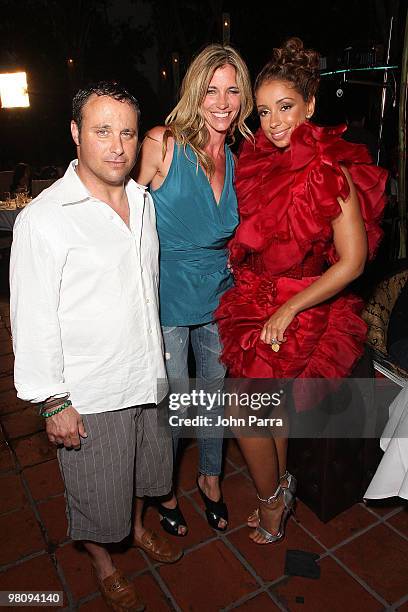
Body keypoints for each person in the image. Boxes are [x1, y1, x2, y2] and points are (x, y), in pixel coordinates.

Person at [10, 81, 182, 612]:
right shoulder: (45, 217)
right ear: (75, 134)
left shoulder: (141, 201)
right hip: (91, 390)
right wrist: (53, 401)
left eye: (127, 132)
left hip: (146, 375)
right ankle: (104, 563)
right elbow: (32, 318)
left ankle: (133, 530)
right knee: (95, 493)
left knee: (140, 474)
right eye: (102, 130)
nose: (117, 145)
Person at [216, 38, 387, 545]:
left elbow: (353, 262)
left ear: (311, 105)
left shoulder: (329, 171)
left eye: (285, 107)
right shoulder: (261, 161)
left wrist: (290, 307)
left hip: (303, 304)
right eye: (264, 111)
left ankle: (272, 503)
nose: (273, 122)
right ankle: (282, 488)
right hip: (258, 296)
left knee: (240, 409)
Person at [135, 44, 253, 536]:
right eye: (211, 90)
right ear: (194, 92)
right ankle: (163, 489)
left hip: (219, 297)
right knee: (173, 400)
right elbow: (126, 217)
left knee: (212, 395)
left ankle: (209, 478)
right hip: (167, 299)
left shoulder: (237, 158)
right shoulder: (162, 144)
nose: (223, 101)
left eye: (232, 90)